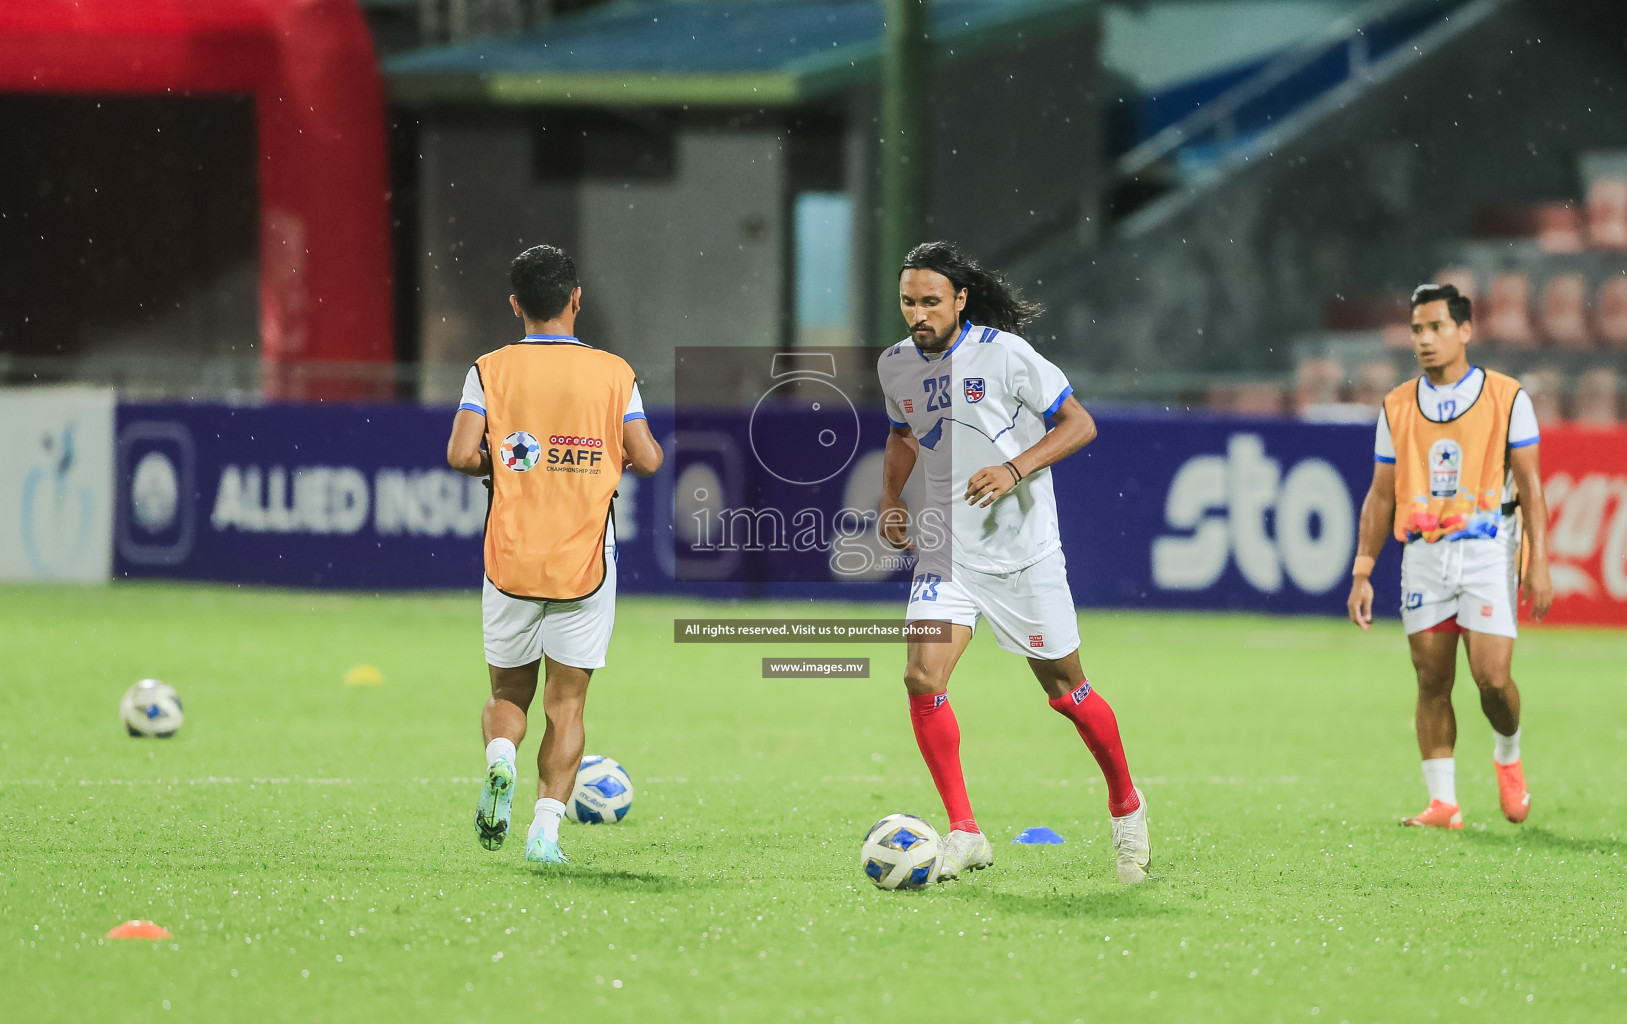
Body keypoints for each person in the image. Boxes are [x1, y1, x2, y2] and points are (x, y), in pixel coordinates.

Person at [875, 241, 1151, 884]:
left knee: (1068, 692)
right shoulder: (896, 366)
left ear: (960, 299)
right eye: (908, 302)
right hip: (949, 551)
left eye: (931, 301)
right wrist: (891, 498)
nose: (918, 314)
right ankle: (965, 831)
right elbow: (899, 435)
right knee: (922, 677)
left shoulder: (1005, 355)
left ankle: (1127, 808)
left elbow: (1079, 424)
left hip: (1023, 555)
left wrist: (1014, 468)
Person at [446, 244, 663, 864]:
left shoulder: (489, 369)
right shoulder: (613, 372)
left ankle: (500, 760)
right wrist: (599, 454)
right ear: (575, 299)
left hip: (510, 557)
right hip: (584, 560)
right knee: (566, 702)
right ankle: (544, 833)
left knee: (508, 695)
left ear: (516, 305)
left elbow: (462, 455)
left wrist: (511, 462)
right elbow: (647, 459)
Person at [1347, 283, 1552, 829]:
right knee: (1431, 679)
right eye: (1417, 329)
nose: (1425, 339)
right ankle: (1444, 802)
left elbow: (1531, 487)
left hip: (1489, 549)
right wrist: (1363, 570)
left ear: (1465, 331)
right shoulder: (1396, 405)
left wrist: (1539, 562)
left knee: (1492, 679)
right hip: (1424, 556)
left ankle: (1508, 753)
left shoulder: (1508, 397)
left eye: (1436, 327)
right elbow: (1380, 494)